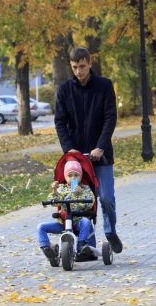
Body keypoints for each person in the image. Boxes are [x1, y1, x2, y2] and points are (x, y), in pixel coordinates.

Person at [54, 47, 123, 254]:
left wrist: (100, 147)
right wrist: (69, 151)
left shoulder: (104, 86)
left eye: (82, 66)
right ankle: (86, 244)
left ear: (90, 64)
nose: (79, 71)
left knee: (106, 198)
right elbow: (60, 122)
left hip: (100, 156)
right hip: (76, 160)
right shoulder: (65, 90)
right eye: (75, 67)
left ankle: (110, 232)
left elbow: (110, 118)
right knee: (79, 201)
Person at [37, 160, 95, 261]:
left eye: (76, 175)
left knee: (86, 221)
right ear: (65, 177)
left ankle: (82, 245)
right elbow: (54, 202)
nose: (73, 178)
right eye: (70, 175)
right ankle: (46, 247)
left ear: (80, 176)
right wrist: (54, 190)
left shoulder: (85, 189)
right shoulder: (62, 189)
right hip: (63, 222)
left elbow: (89, 203)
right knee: (41, 227)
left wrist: (81, 194)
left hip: (78, 221)